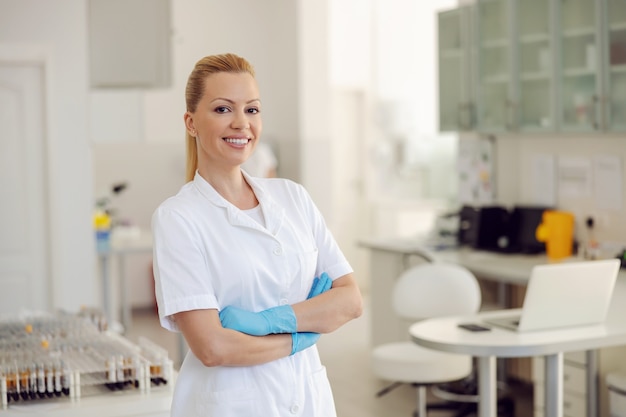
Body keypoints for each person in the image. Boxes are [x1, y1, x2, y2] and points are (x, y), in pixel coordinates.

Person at [151, 53, 363, 417]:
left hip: (307, 396)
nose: (240, 124)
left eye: (251, 110)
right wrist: (301, 336)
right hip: (230, 403)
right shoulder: (177, 218)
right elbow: (212, 347)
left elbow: (350, 301)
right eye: (222, 109)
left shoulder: (293, 197)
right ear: (191, 122)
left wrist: (268, 323)